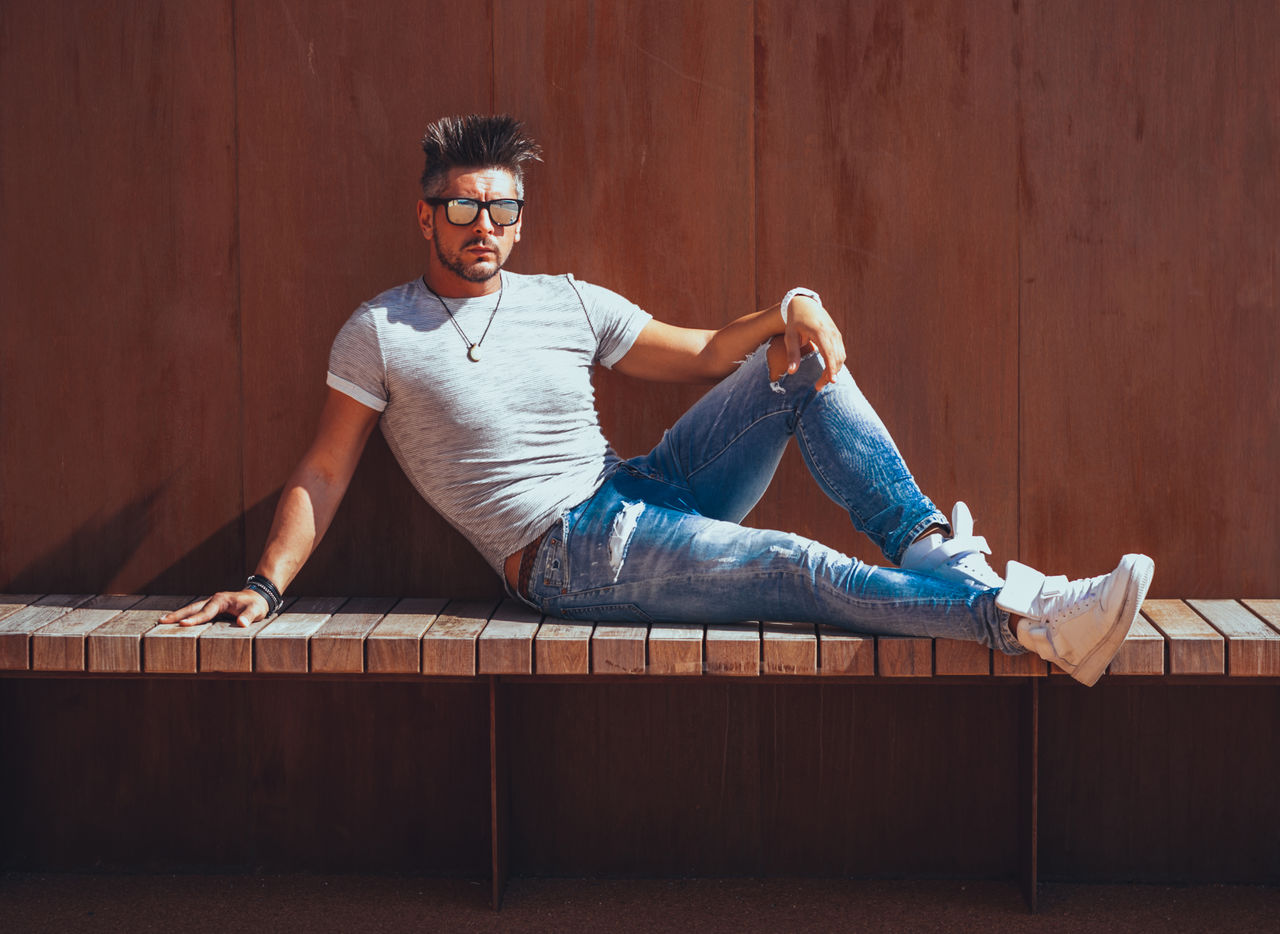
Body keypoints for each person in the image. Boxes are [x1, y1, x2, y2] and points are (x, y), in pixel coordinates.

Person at [164, 114, 1153, 686]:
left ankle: (933, 548)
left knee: (798, 365)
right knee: (792, 565)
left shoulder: (566, 302)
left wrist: (793, 305)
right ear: (425, 214)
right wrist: (264, 583)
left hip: (641, 489)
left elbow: (709, 354)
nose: (484, 225)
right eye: (463, 206)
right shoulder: (380, 330)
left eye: (503, 209)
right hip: (565, 552)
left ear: (518, 221)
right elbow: (325, 468)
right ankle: (1015, 617)